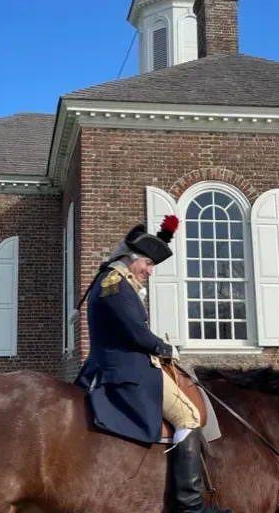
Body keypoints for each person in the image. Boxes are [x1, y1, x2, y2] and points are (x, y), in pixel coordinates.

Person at [75, 216, 233, 513]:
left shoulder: (117, 282)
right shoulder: (115, 284)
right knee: (188, 416)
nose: (149, 271)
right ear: (130, 258)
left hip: (122, 362)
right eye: (147, 263)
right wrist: (165, 347)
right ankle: (191, 506)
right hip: (127, 370)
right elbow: (134, 333)